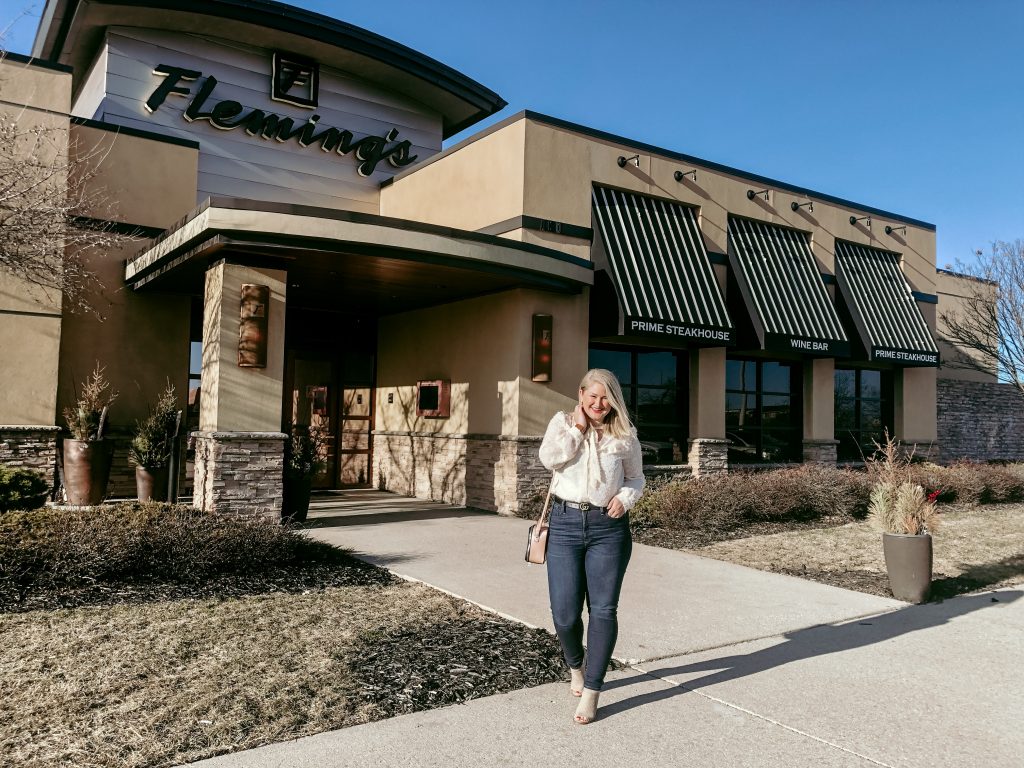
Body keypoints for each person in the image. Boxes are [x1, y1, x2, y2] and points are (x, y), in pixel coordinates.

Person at [538, 368, 645, 724]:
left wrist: (626, 498)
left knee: (603, 610)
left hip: (608, 528)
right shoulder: (562, 423)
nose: (598, 404)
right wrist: (579, 429)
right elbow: (550, 459)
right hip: (565, 524)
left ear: (613, 400)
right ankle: (576, 668)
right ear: (581, 394)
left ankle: (593, 690)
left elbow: (635, 477)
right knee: (565, 613)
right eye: (593, 396)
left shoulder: (625, 434)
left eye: (605, 398)